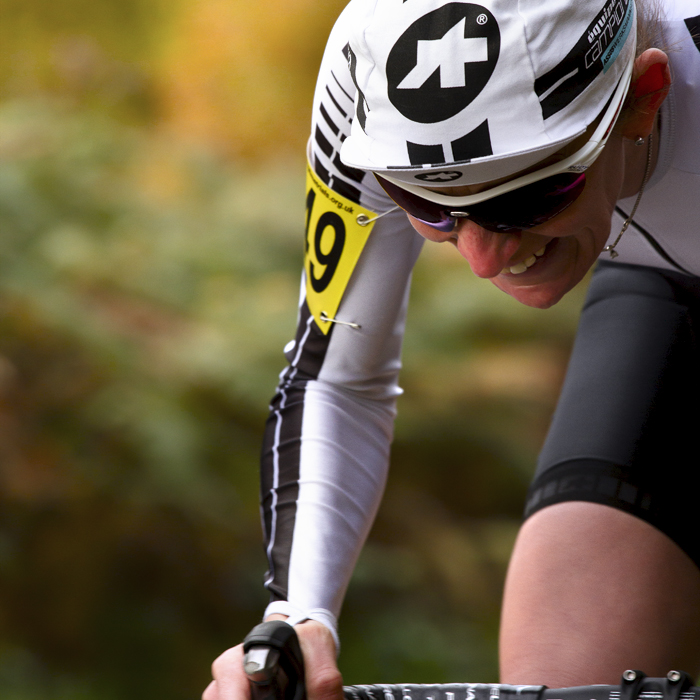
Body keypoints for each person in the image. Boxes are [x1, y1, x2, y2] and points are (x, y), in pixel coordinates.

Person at [203, 0, 700, 697]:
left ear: (644, 99)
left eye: (528, 197)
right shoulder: (367, 69)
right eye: (430, 206)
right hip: (662, 289)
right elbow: (337, 376)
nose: (482, 258)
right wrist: (300, 618)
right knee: (562, 669)